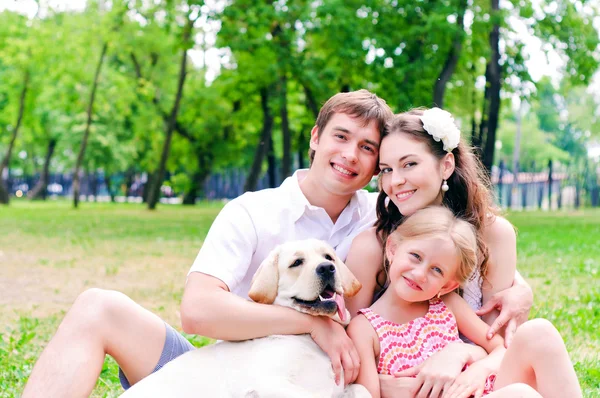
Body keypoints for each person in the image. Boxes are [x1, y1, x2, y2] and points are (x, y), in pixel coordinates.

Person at [22, 94, 529, 398]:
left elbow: (438, 244)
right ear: (315, 137)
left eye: (368, 149)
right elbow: (197, 311)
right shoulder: (253, 210)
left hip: (316, 378)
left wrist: (516, 287)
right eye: (341, 136)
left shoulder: (381, 219)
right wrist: (313, 321)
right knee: (98, 307)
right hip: (228, 365)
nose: (351, 155)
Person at [344, 108, 533, 396]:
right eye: (386, 170)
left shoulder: (494, 235)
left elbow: (498, 342)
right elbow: (356, 355)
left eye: (409, 164)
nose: (395, 182)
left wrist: (465, 357)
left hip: (475, 382)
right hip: (407, 385)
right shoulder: (372, 246)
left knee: (537, 344)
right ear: (394, 249)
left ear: (446, 166)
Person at [347, 206, 582, 398]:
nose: (420, 274)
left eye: (436, 270)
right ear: (393, 249)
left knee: (539, 332)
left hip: (483, 389)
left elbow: (499, 348)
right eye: (415, 256)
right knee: (521, 395)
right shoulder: (365, 328)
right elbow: (366, 394)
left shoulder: (445, 304)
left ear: (448, 284)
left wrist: (479, 368)